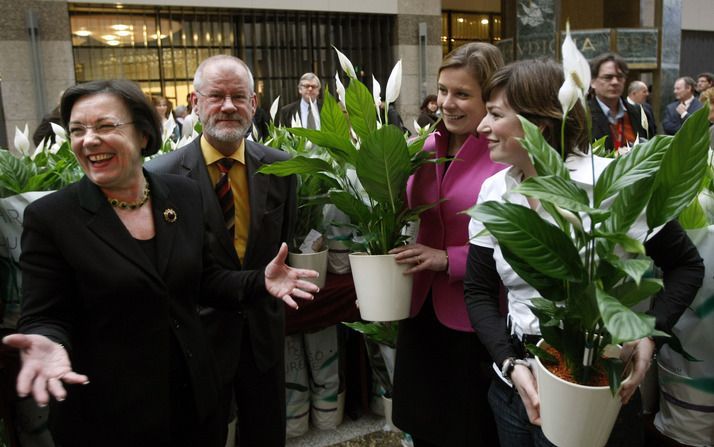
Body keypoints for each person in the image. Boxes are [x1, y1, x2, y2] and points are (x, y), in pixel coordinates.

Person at [1, 79, 318, 446]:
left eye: (105, 126)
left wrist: (258, 282)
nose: (89, 140)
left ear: (143, 134)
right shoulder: (52, 217)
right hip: (109, 415)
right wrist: (47, 340)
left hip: (194, 404)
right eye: (77, 130)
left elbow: (206, 280)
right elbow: (44, 314)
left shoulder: (182, 195)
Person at [464, 59, 704, 447]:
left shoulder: (610, 185)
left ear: (537, 124)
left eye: (494, 114)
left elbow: (687, 266)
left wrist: (647, 336)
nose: (481, 127)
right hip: (515, 387)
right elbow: (478, 291)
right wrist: (511, 366)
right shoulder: (494, 192)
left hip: (594, 383)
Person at [146, 55, 297, 446]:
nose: (228, 106)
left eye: (238, 96)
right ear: (195, 103)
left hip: (263, 337)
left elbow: (286, 243)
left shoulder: (282, 169)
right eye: (216, 96)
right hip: (198, 340)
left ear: (254, 103)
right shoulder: (161, 176)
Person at [388, 42, 505, 447]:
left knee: (466, 429)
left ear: (490, 97)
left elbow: (516, 243)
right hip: (419, 307)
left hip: (473, 315)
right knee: (422, 424)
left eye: (462, 94)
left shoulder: (504, 156)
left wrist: (447, 259)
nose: (447, 103)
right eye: (442, 91)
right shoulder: (425, 148)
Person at [588, 53, 648, 152]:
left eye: (620, 77)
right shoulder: (583, 115)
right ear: (593, 82)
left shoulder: (636, 111)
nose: (615, 82)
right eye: (608, 77)